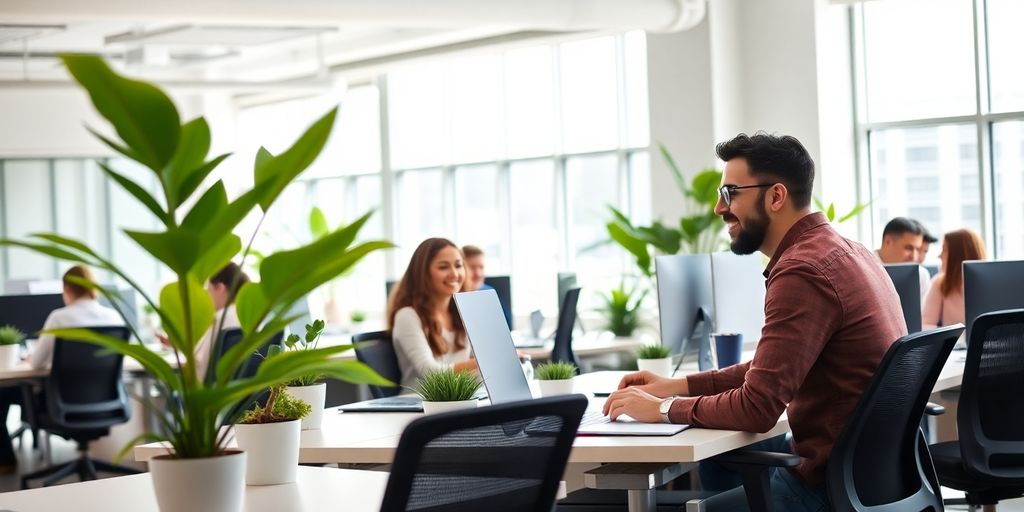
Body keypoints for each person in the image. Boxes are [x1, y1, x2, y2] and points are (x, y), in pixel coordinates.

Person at [602, 133, 906, 511]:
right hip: (873, 478)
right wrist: (675, 386)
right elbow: (771, 369)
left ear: (775, 196)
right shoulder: (850, 252)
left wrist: (661, 410)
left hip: (827, 489)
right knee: (718, 463)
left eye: (730, 193)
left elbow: (757, 408)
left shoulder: (803, 271)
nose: (718, 208)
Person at [0, 265, 122, 471]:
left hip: (61, 405)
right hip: (107, 406)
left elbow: (37, 363)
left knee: (2, 394)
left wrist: (34, 357)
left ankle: (5, 461)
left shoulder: (60, 317)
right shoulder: (113, 317)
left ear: (66, 289)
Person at [388, 238, 477, 388]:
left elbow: (477, 369)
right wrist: (483, 362)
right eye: (443, 267)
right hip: (420, 404)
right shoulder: (407, 316)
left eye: (458, 265)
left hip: (461, 400)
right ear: (423, 273)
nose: (454, 274)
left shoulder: (463, 312)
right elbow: (431, 374)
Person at [192, 262, 247, 380]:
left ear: (220, 288)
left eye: (208, 289)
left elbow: (201, 370)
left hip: (206, 395)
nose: (206, 294)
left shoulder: (220, 318)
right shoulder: (244, 317)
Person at [922, 229, 986, 330]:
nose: (939, 256)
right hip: (955, 344)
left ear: (958, 255)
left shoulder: (989, 284)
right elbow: (925, 324)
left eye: (944, 250)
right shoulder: (940, 283)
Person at [876, 216, 931, 301]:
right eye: (909, 248)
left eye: (917, 249)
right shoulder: (863, 269)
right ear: (888, 242)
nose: (914, 256)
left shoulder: (921, 275)